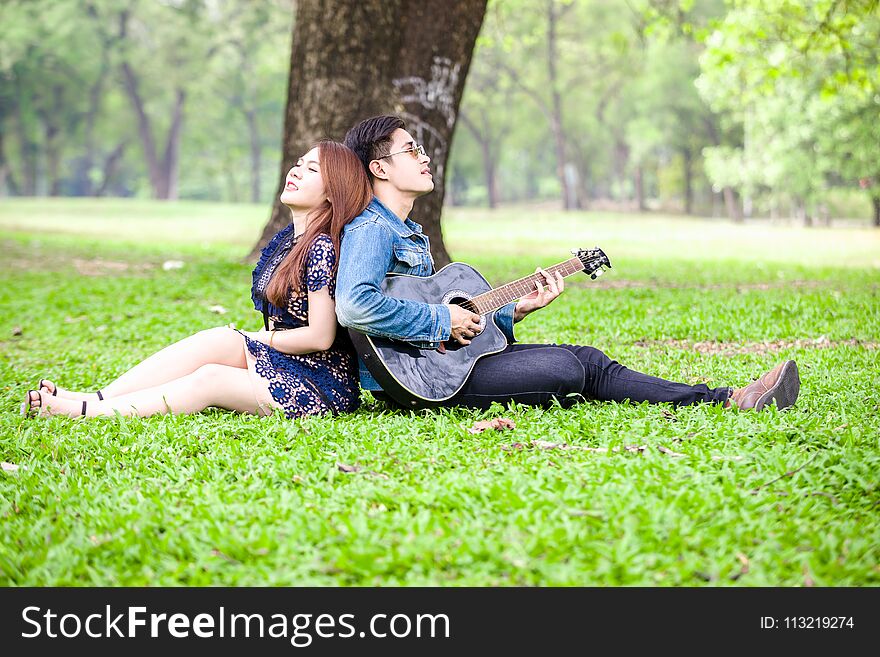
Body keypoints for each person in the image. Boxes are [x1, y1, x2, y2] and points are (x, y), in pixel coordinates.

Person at [335, 115, 800, 412]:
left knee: (589, 361)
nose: (425, 155)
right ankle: (730, 399)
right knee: (569, 370)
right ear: (379, 168)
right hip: (418, 384)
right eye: (411, 150)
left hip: (444, 369)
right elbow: (355, 307)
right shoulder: (372, 229)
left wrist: (511, 311)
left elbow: (445, 315)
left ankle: (729, 398)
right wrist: (443, 318)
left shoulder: (405, 230)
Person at [21, 140, 373, 419]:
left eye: (311, 170)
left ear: (332, 191)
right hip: (288, 361)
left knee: (211, 378)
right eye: (298, 164)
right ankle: (97, 396)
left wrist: (255, 337)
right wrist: (249, 339)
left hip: (320, 383)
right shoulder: (288, 241)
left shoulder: (322, 246)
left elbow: (321, 337)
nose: (295, 171)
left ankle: (90, 412)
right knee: (218, 338)